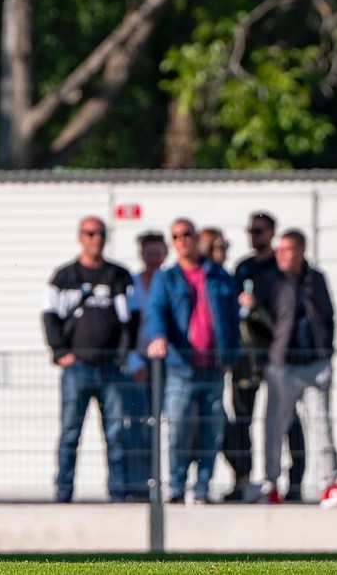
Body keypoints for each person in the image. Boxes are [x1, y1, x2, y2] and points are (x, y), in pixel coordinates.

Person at [41, 216, 137, 503]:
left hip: (111, 368)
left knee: (116, 434)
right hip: (77, 368)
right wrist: (59, 352)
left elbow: (133, 317)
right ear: (80, 237)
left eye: (101, 233)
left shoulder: (119, 275)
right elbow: (49, 315)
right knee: (70, 433)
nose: (96, 239)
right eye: (90, 233)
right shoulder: (64, 276)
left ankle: (118, 491)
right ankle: (64, 490)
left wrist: (126, 354)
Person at [145, 218, 240, 504]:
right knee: (177, 427)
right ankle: (175, 486)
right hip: (180, 368)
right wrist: (158, 337)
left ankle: (202, 489)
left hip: (213, 367)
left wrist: (231, 355)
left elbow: (232, 319)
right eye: (176, 236)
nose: (182, 240)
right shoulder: (167, 278)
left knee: (212, 431)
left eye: (187, 234)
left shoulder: (219, 275)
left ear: (196, 237)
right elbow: (156, 311)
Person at [258, 230, 337, 508]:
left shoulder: (315, 279)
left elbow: (328, 316)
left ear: (300, 251)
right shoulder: (271, 281)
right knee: (275, 427)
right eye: (279, 249)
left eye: (287, 249)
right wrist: (267, 359)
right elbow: (259, 322)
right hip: (282, 367)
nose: (281, 254)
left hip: (314, 365)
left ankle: (330, 483)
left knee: (321, 425)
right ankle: (271, 484)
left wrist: (326, 351)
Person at [228, 212, 305, 503]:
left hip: (277, 358)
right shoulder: (243, 268)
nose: (254, 236)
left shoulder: (281, 268)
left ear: (272, 233)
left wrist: (259, 309)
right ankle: (244, 481)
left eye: (259, 231)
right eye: (251, 231)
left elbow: (288, 316)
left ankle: (294, 483)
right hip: (247, 359)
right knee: (241, 420)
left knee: (288, 420)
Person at [121, 230, 167, 500]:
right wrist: (133, 360)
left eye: (158, 253)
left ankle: (167, 482)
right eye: (149, 253)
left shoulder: (170, 281)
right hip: (139, 362)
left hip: (167, 362)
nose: (153, 258)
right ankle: (139, 484)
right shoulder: (132, 284)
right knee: (139, 423)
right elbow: (124, 326)